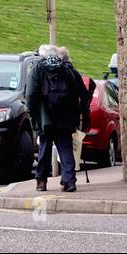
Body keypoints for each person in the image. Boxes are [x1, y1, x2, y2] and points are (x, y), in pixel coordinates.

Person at [27, 44, 85, 192]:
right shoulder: (66, 69)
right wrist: (78, 113)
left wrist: (34, 116)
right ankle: (69, 181)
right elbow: (80, 92)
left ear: (43, 56)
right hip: (65, 117)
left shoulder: (38, 68)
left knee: (44, 150)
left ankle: (41, 182)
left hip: (45, 117)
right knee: (65, 149)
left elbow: (31, 95)